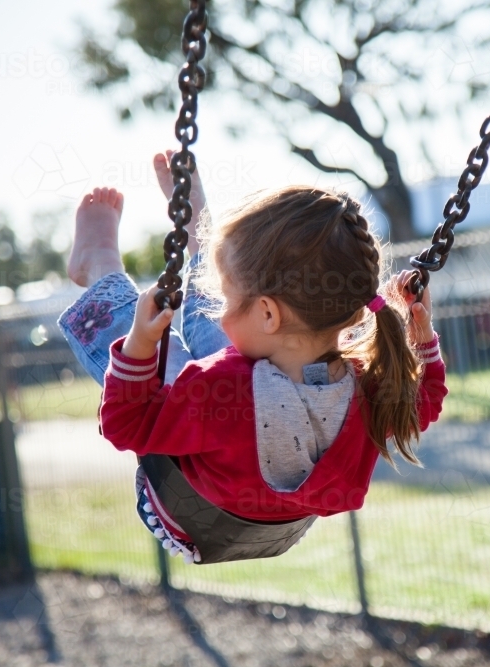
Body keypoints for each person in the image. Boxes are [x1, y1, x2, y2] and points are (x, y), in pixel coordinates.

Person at [58, 152, 447, 564]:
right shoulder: (366, 388)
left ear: (268, 313)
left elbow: (127, 424)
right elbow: (424, 400)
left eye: (228, 296)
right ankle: (200, 234)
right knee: (224, 328)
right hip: (276, 521)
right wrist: (420, 338)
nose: (222, 309)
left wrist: (138, 344)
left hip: (188, 511)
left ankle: (102, 263)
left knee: (156, 343)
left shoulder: (213, 388)